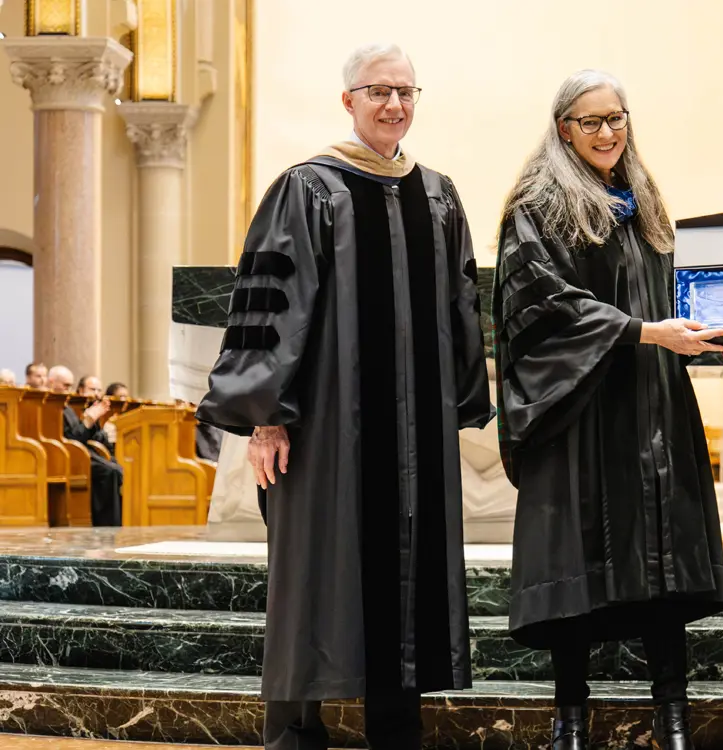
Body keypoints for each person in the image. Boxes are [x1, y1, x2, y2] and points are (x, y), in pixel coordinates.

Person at [195, 41, 492, 750]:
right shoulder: (308, 187)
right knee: (314, 578)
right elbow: (268, 310)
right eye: (378, 91)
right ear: (349, 100)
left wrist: (458, 402)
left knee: (407, 575)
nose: (394, 104)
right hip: (327, 429)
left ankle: (397, 727)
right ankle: (297, 733)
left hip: (414, 432)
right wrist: (266, 417)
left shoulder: (439, 194)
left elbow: (460, 306)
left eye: (406, 92)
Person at [493, 69, 723, 750]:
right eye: (591, 121)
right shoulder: (539, 204)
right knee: (576, 563)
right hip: (578, 410)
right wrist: (645, 333)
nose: (607, 132)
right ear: (564, 126)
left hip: (650, 402)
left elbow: (672, 293)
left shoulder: (642, 199)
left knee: (661, 563)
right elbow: (544, 305)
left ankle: (672, 712)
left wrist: (717, 324)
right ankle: (571, 715)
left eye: (617, 118)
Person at [46, 365, 124, 526]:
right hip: (68, 455)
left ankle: (120, 521)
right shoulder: (49, 405)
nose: (69, 390)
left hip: (81, 450)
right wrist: (88, 420)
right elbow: (72, 437)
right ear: (52, 382)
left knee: (118, 469)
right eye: (66, 386)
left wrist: (91, 421)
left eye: (70, 386)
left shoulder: (66, 407)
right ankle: (106, 524)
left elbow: (86, 436)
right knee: (110, 472)